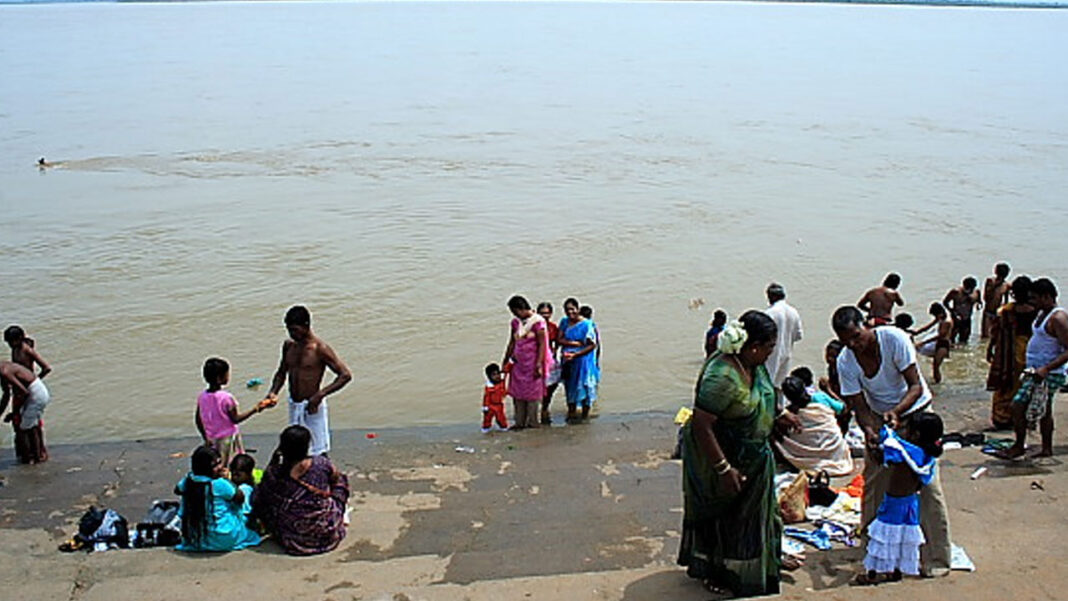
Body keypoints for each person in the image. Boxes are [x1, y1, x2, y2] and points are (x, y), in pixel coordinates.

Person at [678, 310, 801, 597]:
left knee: (759, 513)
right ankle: (719, 572)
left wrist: (779, 415)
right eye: (770, 347)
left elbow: (762, 396)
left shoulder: (752, 365)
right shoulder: (722, 377)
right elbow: (701, 424)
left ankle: (767, 556)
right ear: (754, 346)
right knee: (727, 519)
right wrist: (723, 469)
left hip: (754, 457)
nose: (772, 353)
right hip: (721, 459)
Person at [831, 306, 950, 577]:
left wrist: (896, 413)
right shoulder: (846, 361)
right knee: (874, 483)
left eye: (857, 336)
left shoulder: (894, 338)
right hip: (881, 420)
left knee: (928, 485)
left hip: (916, 413)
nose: (854, 344)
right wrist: (871, 434)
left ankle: (937, 559)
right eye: (846, 341)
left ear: (867, 326)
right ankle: (873, 554)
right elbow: (860, 407)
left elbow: (916, 386)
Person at [858, 413, 944, 585]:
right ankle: (895, 571)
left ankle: (873, 574)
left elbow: (881, 457)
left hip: (893, 502)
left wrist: (877, 441)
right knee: (902, 538)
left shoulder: (903, 452)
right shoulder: (925, 455)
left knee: (882, 539)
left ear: (915, 435)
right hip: (911, 502)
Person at [264, 306, 353, 456]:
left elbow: (345, 375)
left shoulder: (319, 349)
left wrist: (320, 395)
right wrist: (273, 392)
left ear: (306, 326)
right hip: (294, 404)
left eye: (295, 330)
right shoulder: (289, 345)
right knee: (295, 449)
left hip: (312, 406)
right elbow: (281, 373)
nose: (292, 334)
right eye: (289, 330)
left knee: (318, 450)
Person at [253, 425, 350, 555]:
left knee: (260, 494)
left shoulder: (274, 472)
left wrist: (273, 461)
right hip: (325, 534)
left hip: (291, 539)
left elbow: (261, 497)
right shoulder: (321, 464)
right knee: (341, 481)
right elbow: (337, 479)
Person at [999, 278, 1068, 459]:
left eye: (1035, 298)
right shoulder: (1042, 314)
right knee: (1045, 411)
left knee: (1017, 406)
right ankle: (1045, 448)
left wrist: (1046, 368)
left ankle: (1019, 446)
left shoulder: (1058, 318)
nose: (1032, 302)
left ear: (1046, 297)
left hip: (1049, 373)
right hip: (1035, 371)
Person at [174, 446, 261, 552]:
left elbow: (177, 490)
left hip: (198, 540)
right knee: (245, 489)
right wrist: (227, 481)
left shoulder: (188, 481)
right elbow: (240, 498)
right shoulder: (219, 484)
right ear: (206, 467)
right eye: (216, 465)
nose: (220, 467)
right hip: (223, 537)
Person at [196, 357, 274, 467]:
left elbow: (198, 420)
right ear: (220, 378)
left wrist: (205, 437)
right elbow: (236, 419)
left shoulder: (202, 397)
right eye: (227, 374)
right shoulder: (226, 398)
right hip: (227, 439)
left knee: (216, 464)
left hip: (212, 439)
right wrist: (256, 409)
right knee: (231, 464)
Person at [774, 371, 853, 476]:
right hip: (834, 451)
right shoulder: (821, 398)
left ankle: (804, 458)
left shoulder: (788, 415)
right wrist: (828, 390)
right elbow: (844, 409)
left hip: (811, 454)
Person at [985, 276, 1035, 430]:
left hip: (1009, 351)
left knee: (1006, 385)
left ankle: (1003, 417)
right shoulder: (1037, 311)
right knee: (1025, 385)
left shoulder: (1006, 311)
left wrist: (990, 348)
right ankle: (1023, 417)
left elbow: (995, 332)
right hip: (1030, 350)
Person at [502, 296, 552, 429]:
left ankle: (533, 423)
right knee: (517, 394)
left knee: (532, 396)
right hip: (518, 364)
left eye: (515, 311)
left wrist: (539, 364)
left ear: (521, 309)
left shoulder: (538, 322)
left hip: (532, 364)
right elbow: (512, 342)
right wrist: (505, 360)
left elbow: (542, 345)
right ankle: (519, 422)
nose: (515, 314)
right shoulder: (515, 322)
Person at [4, 326, 51, 463]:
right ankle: (28, 452)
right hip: (20, 390)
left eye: (11, 342)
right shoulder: (15, 349)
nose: (9, 345)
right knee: (22, 423)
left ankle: (39, 453)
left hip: (27, 391)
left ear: (19, 339)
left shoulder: (26, 350)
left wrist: (35, 381)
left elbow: (46, 367)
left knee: (31, 425)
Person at [0, 360, 51, 464]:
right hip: (35, 391)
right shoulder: (3, 368)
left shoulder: (4, 372)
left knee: (24, 428)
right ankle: (37, 456)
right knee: (32, 426)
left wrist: (15, 412)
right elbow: (6, 394)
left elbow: (24, 392)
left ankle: (35, 459)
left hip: (36, 395)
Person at [557, 298, 598, 423]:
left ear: (578, 309)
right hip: (568, 360)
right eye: (567, 310)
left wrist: (577, 354)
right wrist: (573, 343)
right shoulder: (564, 322)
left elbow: (592, 345)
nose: (570, 313)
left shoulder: (587, 325)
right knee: (570, 386)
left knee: (586, 386)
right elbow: (559, 339)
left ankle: (585, 415)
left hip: (584, 361)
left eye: (572, 309)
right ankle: (571, 413)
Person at [763, 284, 803, 401]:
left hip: (771, 354)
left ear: (772, 296)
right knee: (781, 386)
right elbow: (798, 336)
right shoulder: (793, 312)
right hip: (786, 353)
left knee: (766, 384)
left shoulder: (770, 313)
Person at [913, 303, 952, 384]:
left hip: (943, 345)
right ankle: (936, 381)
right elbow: (928, 326)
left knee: (936, 366)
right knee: (934, 365)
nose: (935, 318)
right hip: (938, 343)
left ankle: (938, 384)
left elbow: (940, 336)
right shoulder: (940, 318)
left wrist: (922, 343)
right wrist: (916, 332)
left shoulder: (947, 321)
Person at [537, 302, 562, 425]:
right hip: (536, 360)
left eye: (547, 313)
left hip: (550, 360)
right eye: (542, 313)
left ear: (551, 314)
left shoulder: (553, 327)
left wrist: (554, 351)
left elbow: (558, 341)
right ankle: (536, 410)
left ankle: (545, 407)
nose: (544, 315)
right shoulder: (534, 327)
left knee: (552, 385)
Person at [943, 277, 981, 345]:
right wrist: (952, 311)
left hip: (967, 318)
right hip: (956, 318)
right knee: (951, 338)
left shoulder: (976, 293)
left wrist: (977, 305)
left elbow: (979, 302)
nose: (969, 290)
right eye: (968, 288)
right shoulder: (955, 292)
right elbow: (945, 302)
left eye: (972, 288)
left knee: (964, 339)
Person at [982, 263, 1012, 339]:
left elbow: (1006, 301)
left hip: (998, 313)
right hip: (988, 311)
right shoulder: (990, 281)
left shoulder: (1006, 285)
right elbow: (986, 297)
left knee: (997, 336)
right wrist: (995, 285)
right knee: (986, 337)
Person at [229, 453, 257, 523]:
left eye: (238, 474)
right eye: (233, 471)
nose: (234, 476)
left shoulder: (244, 489)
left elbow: (246, 513)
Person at [481, 363, 509, 432]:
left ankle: (504, 428)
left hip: (499, 405)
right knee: (487, 419)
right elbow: (486, 398)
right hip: (490, 405)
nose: (497, 376)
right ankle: (486, 429)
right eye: (494, 375)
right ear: (489, 377)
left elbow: (506, 370)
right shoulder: (489, 387)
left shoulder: (502, 381)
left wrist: (511, 362)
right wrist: (485, 407)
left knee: (501, 418)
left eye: (498, 374)